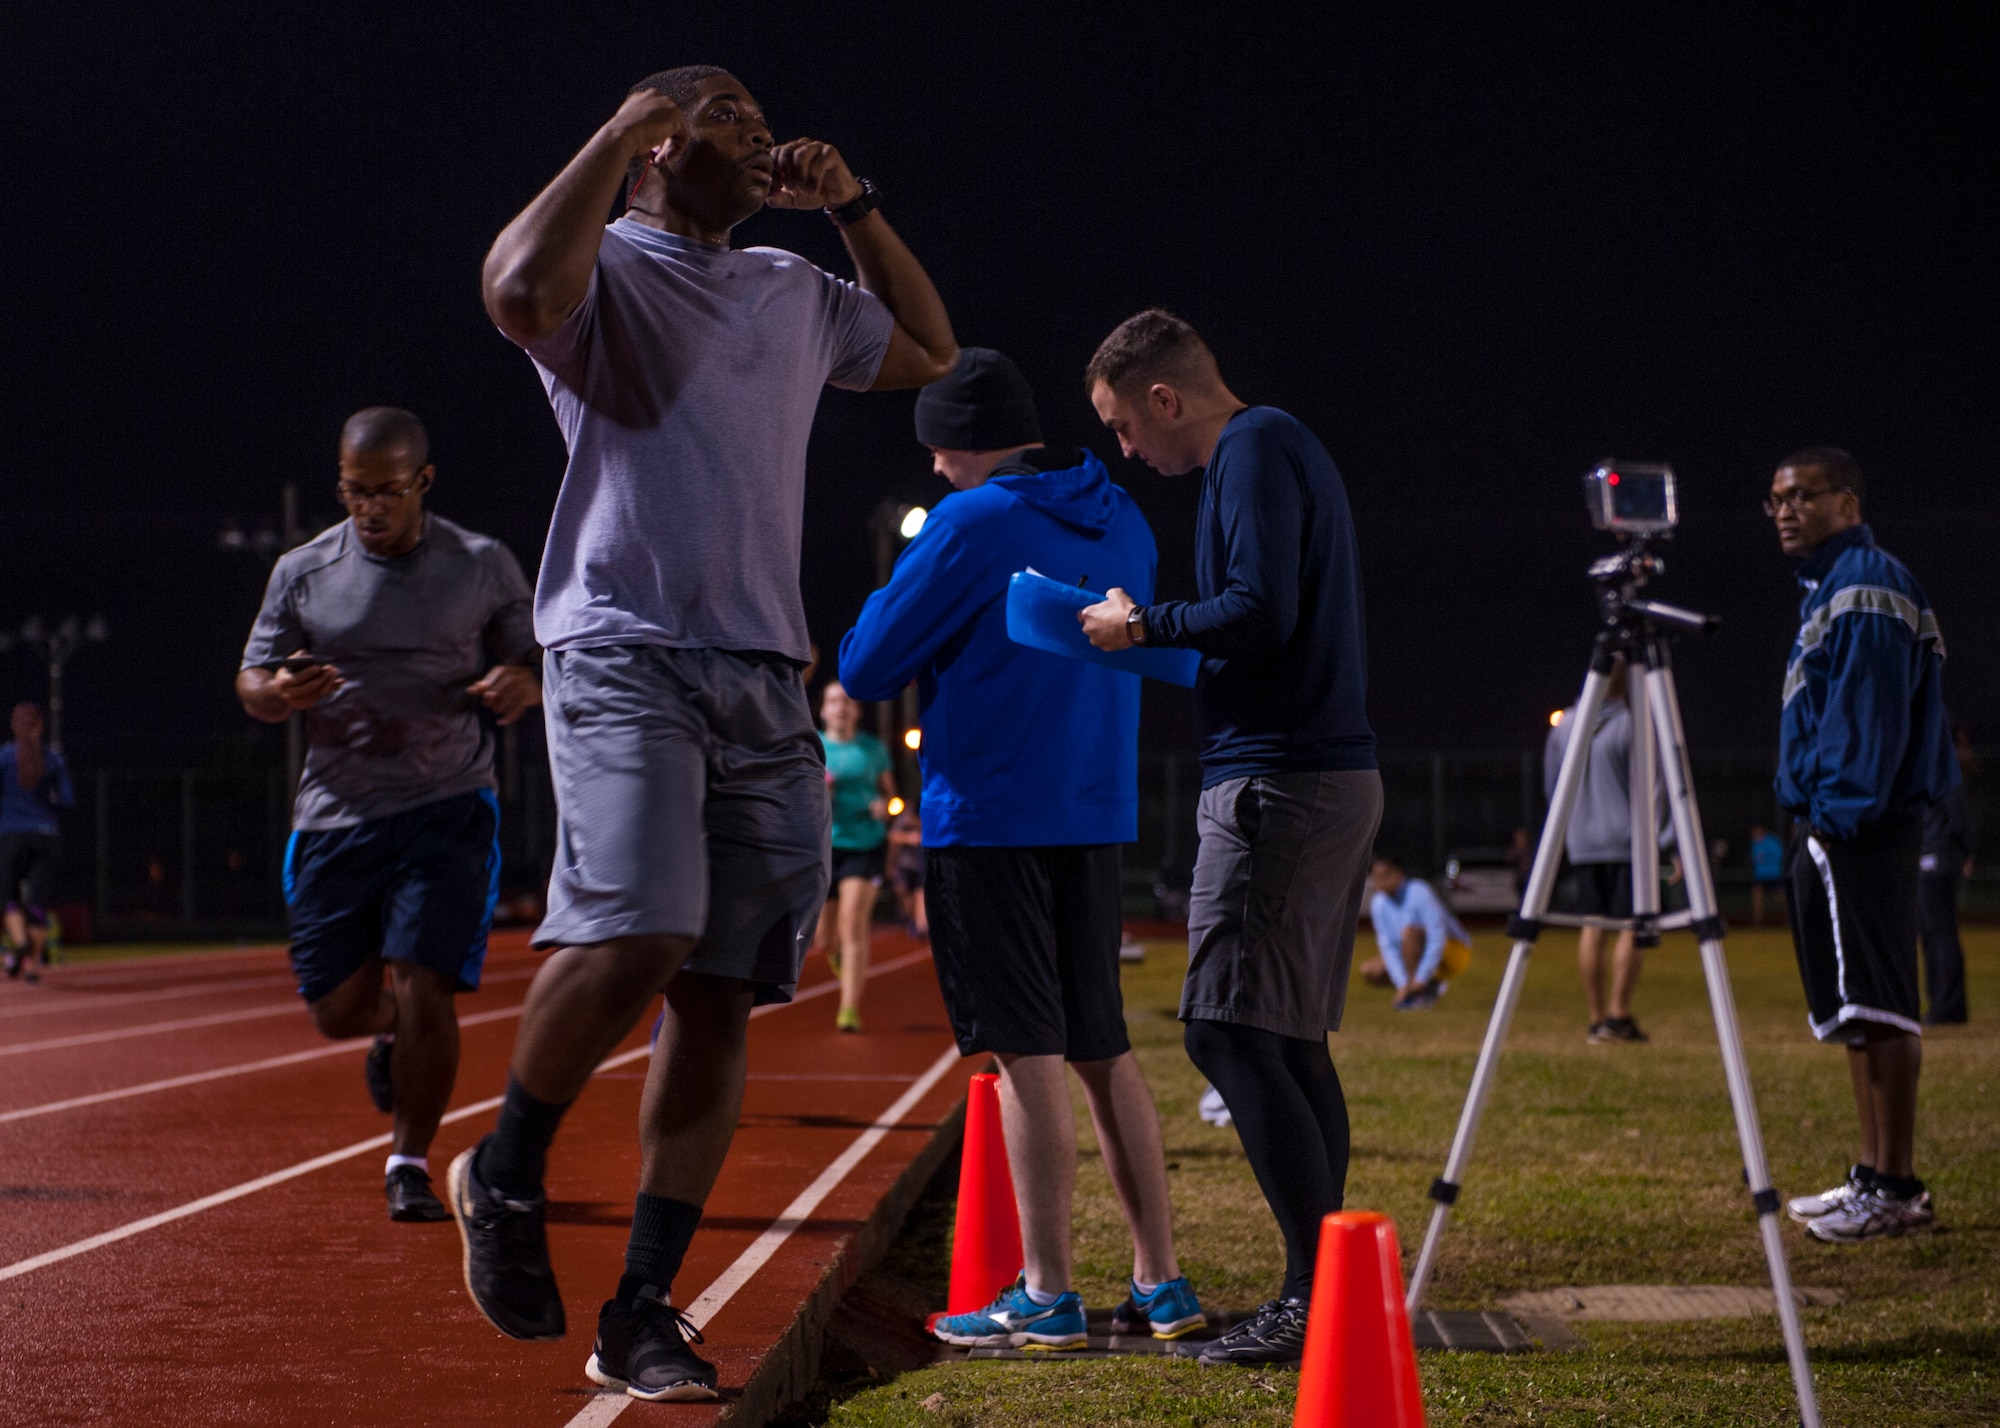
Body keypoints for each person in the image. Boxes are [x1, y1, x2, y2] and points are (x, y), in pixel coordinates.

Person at [452, 65, 955, 1403]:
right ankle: (503, 1171)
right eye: (722, 112)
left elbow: (929, 354)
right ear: (663, 145)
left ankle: (642, 1304)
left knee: (719, 988)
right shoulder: (602, 266)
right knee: (642, 923)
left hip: (761, 678)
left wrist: (853, 206)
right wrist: (612, 129)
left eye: (753, 111)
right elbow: (510, 292)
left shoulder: (795, 286)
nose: (756, 125)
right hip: (623, 651)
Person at [841, 346, 1201, 1350]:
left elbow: (866, 664)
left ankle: (1044, 1292)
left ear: (953, 444)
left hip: (991, 816)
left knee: (1026, 1050)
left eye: (937, 456)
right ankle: (1160, 1281)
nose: (935, 472)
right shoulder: (1120, 513)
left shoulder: (971, 517)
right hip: (1093, 809)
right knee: (1103, 1046)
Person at [1078, 310, 1380, 1367]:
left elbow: (1257, 610)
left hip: (1279, 780)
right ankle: (1329, 1283)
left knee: (1225, 1030)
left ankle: (1313, 1293)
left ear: (1163, 399)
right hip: (1317, 770)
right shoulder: (1278, 446)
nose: (1128, 451)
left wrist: (1142, 626)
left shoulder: (1247, 451)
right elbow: (1263, 611)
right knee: (1284, 1036)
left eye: (1122, 426)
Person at [236, 406, 541, 1222]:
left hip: (447, 803)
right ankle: (386, 1035)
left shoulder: (480, 564)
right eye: (354, 493)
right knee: (337, 1009)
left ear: (424, 482)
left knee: (424, 983)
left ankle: (408, 1159)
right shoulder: (303, 571)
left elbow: (535, 652)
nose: (369, 509)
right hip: (338, 810)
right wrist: (278, 693)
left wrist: (526, 681)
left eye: (386, 492)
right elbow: (253, 680)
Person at [1765, 447, 1957, 1243]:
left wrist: (1835, 812)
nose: (1784, 510)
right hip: (1839, 822)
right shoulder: (1832, 586)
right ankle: (1873, 1175)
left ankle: (1898, 1186)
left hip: (1862, 825)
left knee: (1880, 1005)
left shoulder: (1867, 585)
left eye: (1802, 496)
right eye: (1775, 498)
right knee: (1854, 1009)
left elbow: (1866, 720)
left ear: (1846, 503)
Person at [1543, 656, 1674, 1044]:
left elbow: (1554, 787)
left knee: (1593, 924)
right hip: (1627, 843)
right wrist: (1667, 842)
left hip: (1581, 841)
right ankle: (1619, 1016)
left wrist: (1566, 832)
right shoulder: (1633, 724)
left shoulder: (1564, 726)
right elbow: (1653, 789)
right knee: (1633, 923)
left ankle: (1596, 1018)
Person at [815, 680, 896, 1031]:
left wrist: (885, 808)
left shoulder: (872, 749)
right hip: (823, 846)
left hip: (864, 844)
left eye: (847, 701)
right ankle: (835, 953)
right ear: (823, 710)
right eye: (833, 700)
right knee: (823, 937)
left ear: (857, 710)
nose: (841, 707)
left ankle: (848, 1009)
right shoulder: (814, 745)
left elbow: (893, 798)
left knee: (853, 922)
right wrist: (821, 792)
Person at [0, 703, 73, 983]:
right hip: (47, 835)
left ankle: (19, 943)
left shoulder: (5, 756)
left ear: (13, 726)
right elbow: (68, 800)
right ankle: (31, 967)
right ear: (40, 726)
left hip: (11, 836)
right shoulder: (53, 759)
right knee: (37, 905)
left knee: (6, 898)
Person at [1361, 853, 1473, 1010]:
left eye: (1385, 875)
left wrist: (1420, 979)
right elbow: (1388, 946)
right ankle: (1427, 986)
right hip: (1415, 955)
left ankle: (1419, 992)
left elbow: (1437, 937)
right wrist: (1402, 984)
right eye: (1376, 876)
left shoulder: (1419, 891)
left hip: (1453, 952)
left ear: (1399, 873)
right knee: (1370, 970)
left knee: (1409, 933)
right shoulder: (1378, 904)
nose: (1380, 881)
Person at [1916, 728, 1974, 1025]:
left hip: (1936, 860)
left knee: (1939, 935)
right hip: (1933, 859)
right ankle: (1944, 1005)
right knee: (1935, 935)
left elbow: (1956, 816)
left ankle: (1947, 1008)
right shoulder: (1935, 766)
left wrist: (1965, 850)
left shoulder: (1934, 767)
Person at [886, 801, 927, 938]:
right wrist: (891, 864)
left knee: (920, 894)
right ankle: (913, 921)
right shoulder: (903, 819)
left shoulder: (928, 821)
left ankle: (921, 926)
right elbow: (893, 837)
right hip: (905, 865)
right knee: (907, 898)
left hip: (920, 866)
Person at [1748, 824, 1786, 926]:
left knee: (1780, 898)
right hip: (1760, 876)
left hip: (1774, 875)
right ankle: (1757, 921)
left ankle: (1788, 919)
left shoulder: (1772, 842)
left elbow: (1778, 856)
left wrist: (1765, 860)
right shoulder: (1755, 843)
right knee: (1756, 894)